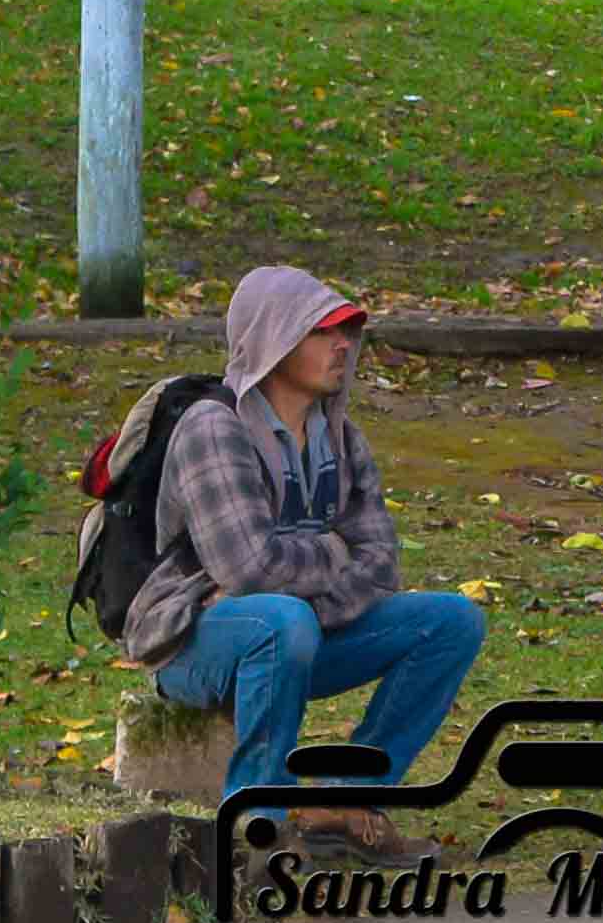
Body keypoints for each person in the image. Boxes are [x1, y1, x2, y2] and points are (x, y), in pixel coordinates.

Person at [119, 267, 488, 834]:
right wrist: (333, 553)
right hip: (194, 643)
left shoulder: (342, 437)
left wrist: (308, 597)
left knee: (451, 622)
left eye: (346, 331)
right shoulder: (213, 428)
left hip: (296, 633)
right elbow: (249, 566)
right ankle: (257, 825)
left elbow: (381, 562)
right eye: (322, 331)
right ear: (273, 338)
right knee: (278, 620)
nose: (343, 344)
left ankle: (347, 801)